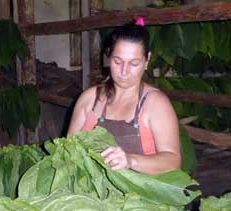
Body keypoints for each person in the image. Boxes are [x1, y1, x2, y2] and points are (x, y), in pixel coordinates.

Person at [66, 20, 181, 176]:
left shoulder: (156, 104)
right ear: (108, 57)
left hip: (143, 194)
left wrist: (130, 160)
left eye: (134, 63)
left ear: (147, 60)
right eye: (117, 61)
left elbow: (173, 162)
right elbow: (67, 150)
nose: (124, 71)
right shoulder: (89, 100)